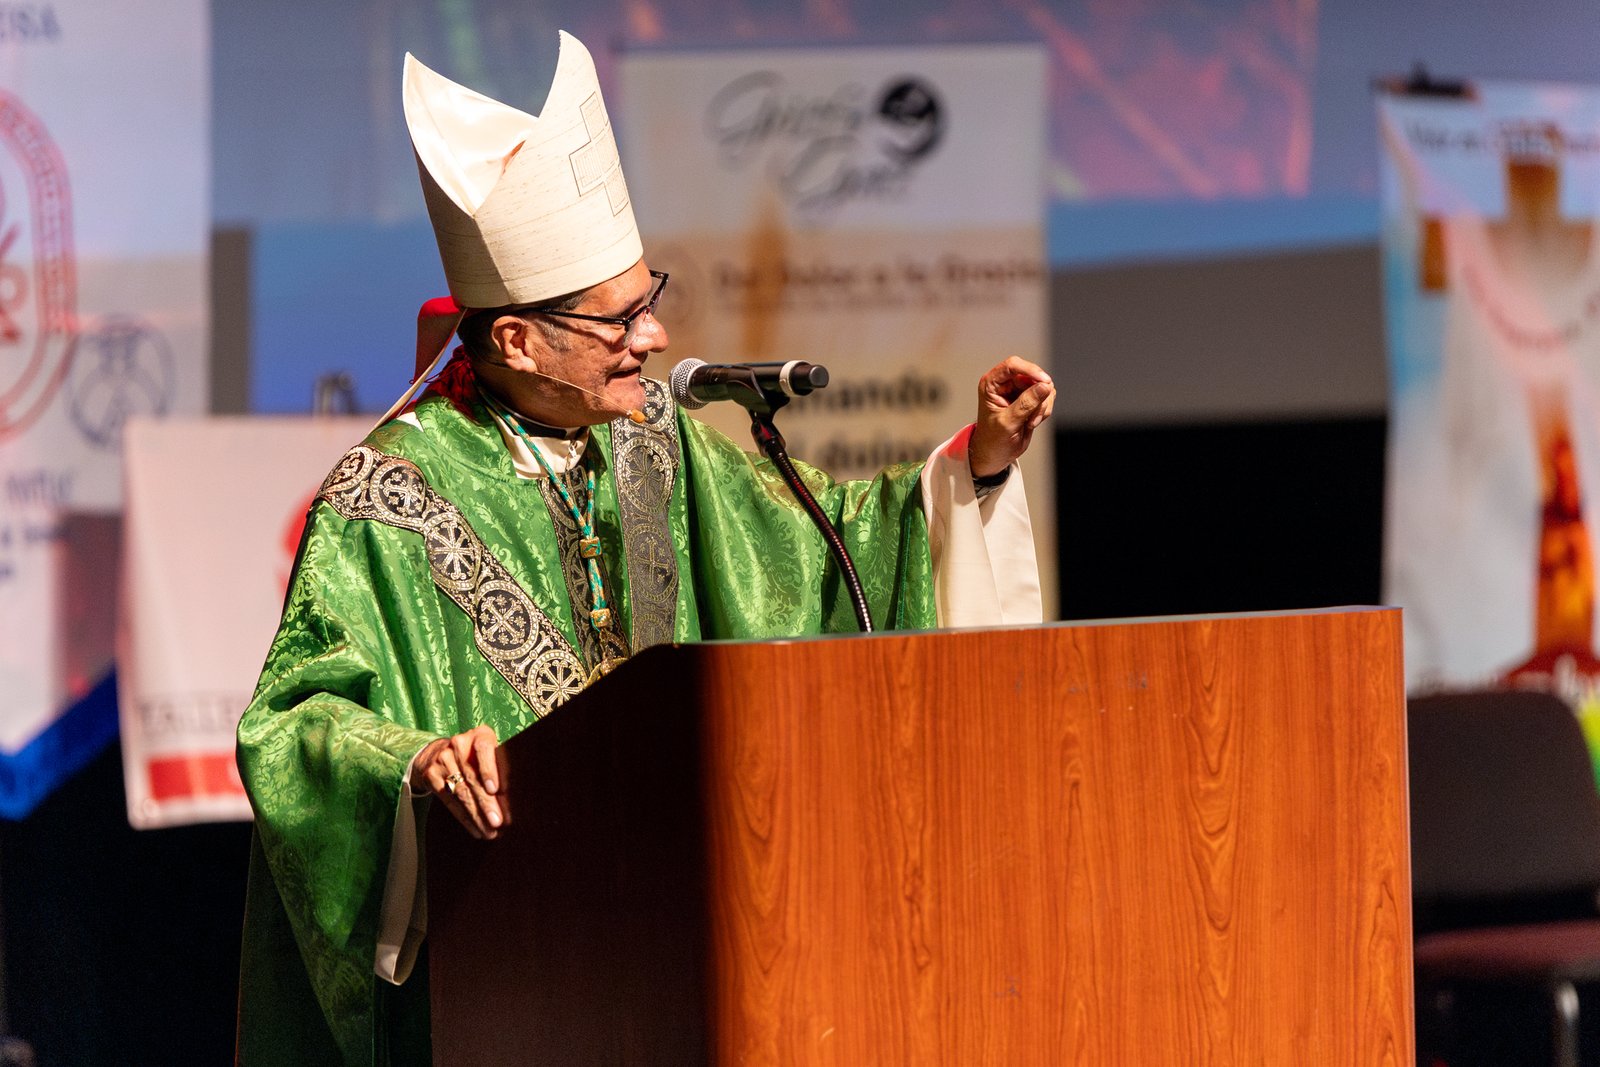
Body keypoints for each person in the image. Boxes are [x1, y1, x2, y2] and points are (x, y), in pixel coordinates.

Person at [235, 30, 1054, 1066]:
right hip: (505, 957)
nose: (656, 339)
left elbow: (822, 559)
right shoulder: (388, 492)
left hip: (674, 935)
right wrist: (415, 763)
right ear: (518, 341)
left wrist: (971, 464)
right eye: (619, 319)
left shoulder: (653, 439)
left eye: (649, 300)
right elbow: (293, 722)